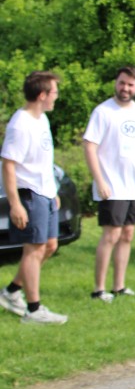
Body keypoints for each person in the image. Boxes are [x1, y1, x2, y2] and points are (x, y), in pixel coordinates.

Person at [82, 66, 135, 302]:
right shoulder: (103, 112)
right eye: (122, 83)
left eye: (130, 84)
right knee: (111, 235)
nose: (125, 88)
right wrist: (99, 180)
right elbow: (89, 146)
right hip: (111, 185)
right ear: (116, 83)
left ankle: (119, 287)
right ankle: (99, 290)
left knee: (128, 234)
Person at [0, 71, 68, 324]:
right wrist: (15, 204)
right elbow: (8, 165)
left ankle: (11, 292)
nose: (56, 97)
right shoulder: (21, 125)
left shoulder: (42, 119)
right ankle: (33, 310)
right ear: (42, 95)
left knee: (49, 246)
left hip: (45, 193)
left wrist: (53, 191)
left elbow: (44, 160)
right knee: (34, 249)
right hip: (29, 194)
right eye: (54, 92)